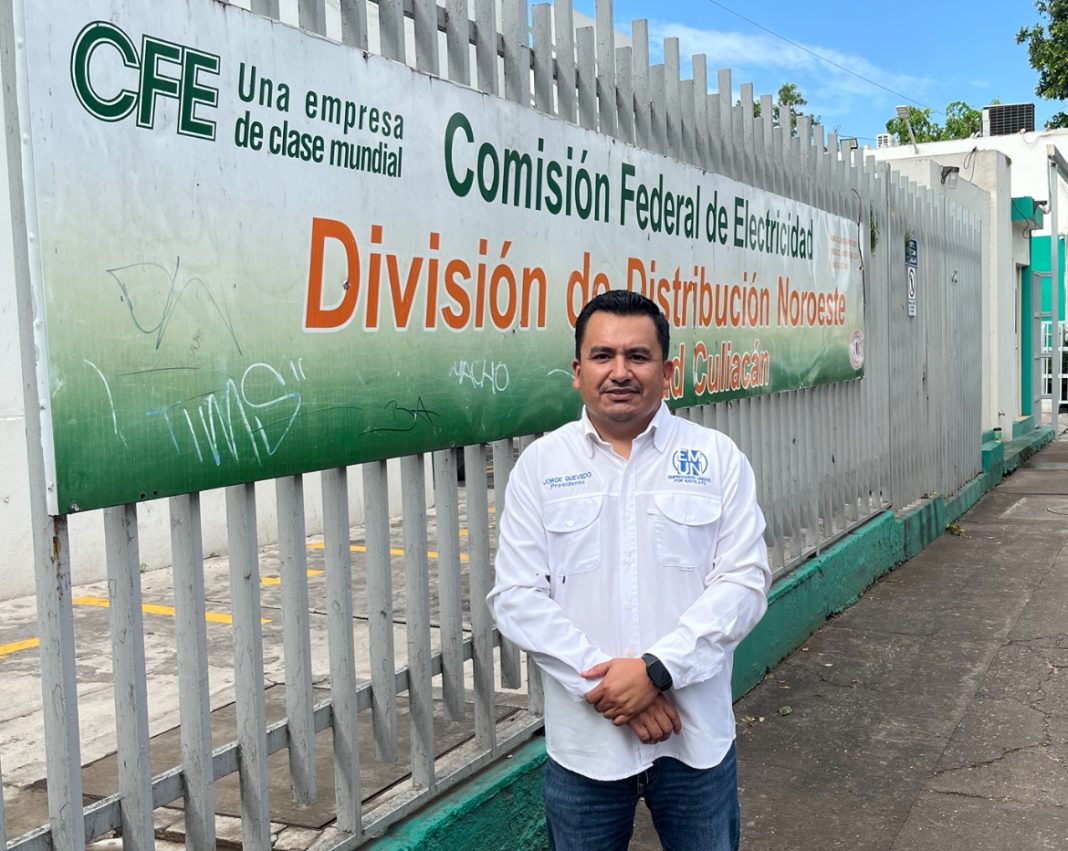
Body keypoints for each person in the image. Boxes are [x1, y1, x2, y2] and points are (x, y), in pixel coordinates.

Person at [487, 289, 771, 851]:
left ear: (667, 372)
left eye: (638, 356)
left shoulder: (717, 459)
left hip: (694, 742)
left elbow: (744, 583)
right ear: (578, 372)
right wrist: (613, 687)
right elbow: (517, 596)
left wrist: (658, 671)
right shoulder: (540, 467)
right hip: (586, 750)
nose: (620, 371)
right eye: (603, 356)